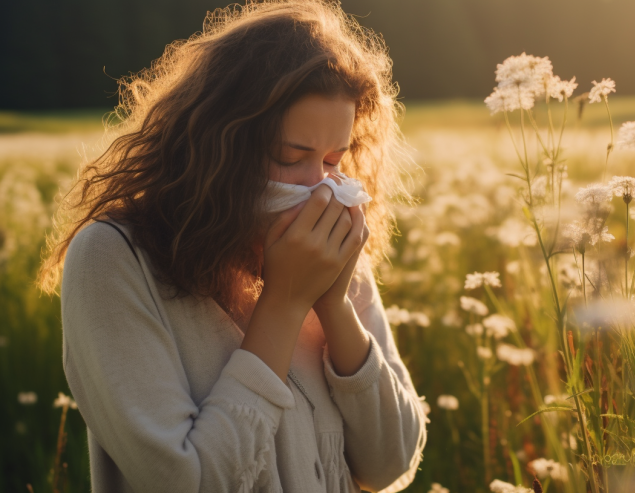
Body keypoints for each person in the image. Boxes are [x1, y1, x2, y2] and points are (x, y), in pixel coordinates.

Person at [35, 1, 428, 492]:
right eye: (290, 157)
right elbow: (187, 482)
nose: (319, 187)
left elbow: (391, 463)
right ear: (220, 144)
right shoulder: (115, 259)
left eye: (333, 160)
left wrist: (332, 304)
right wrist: (284, 303)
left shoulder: (327, 247)